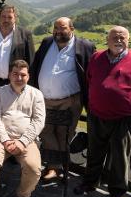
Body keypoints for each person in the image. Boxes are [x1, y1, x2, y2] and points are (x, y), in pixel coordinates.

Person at [75, 26, 131, 197]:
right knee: (94, 152)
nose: (118, 40)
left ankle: (116, 192)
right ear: (107, 40)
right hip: (96, 115)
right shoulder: (97, 58)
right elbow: (90, 80)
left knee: (120, 156)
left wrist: (127, 102)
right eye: (114, 37)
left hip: (122, 118)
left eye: (122, 37)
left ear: (129, 40)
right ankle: (90, 183)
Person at [30, 17, 96, 180]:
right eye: (56, 28)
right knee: (45, 131)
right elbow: (35, 65)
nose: (58, 31)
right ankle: (57, 166)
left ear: (72, 29)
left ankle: (56, 167)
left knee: (64, 133)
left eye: (63, 28)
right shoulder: (46, 43)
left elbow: (92, 72)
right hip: (44, 100)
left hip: (70, 101)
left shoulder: (84, 46)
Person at [0, 59, 45, 197]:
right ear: (9, 75)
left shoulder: (36, 94)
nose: (19, 77)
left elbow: (39, 121)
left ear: (28, 76)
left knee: (34, 167)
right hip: (0, 139)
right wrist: (5, 139)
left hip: (27, 141)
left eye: (23, 74)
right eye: (15, 74)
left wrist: (22, 141)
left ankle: (23, 196)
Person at [0, 5, 35, 96]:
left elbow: (31, 63)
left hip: (16, 83)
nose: (6, 20)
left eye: (9, 17)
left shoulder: (25, 34)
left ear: (15, 18)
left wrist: (28, 86)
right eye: (3, 17)